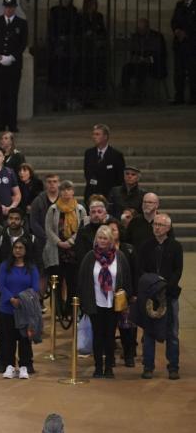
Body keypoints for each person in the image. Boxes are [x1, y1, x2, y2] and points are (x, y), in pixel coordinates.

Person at [78, 225, 132, 379]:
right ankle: (98, 367)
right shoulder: (90, 257)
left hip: (113, 303)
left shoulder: (119, 256)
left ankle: (109, 367)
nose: (102, 241)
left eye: (105, 238)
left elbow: (126, 278)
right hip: (95, 303)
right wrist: (83, 302)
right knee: (98, 335)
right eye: (100, 238)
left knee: (110, 336)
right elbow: (82, 280)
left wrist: (126, 296)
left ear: (111, 240)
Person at [137, 211, 183, 380]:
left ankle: (173, 367)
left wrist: (165, 286)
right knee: (148, 332)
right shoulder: (145, 246)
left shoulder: (176, 246)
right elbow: (140, 269)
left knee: (172, 332)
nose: (157, 227)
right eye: (155, 224)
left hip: (169, 295)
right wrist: (153, 285)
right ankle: (148, 366)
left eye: (160, 225)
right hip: (150, 294)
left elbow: (178, 271)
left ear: (168, 228)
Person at [0, 236, 40, 379]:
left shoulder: (31, 267)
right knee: (8, 338)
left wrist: (21, 299)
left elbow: (35, 287)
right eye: (16, 247)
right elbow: (1, 285)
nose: (18, 250)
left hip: (24, 309)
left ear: (26, 250)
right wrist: (11, 298)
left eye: (21, 248)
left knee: (24, 338)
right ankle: (9, 365)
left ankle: (24, 366)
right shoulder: (5, 265)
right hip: (7, 308)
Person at [0, 0, 27, 132]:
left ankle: (12, 124)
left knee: (12, 94)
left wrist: (12, 57)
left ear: (15, 8)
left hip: (13, 65)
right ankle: (0, 123)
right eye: (7, 7)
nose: (9, 10)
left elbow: (23, 44)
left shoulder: (21, 23)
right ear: (4, 8)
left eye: (11, 7)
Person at [83, 124, 126, 206]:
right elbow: (87, 173)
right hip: (91, 195)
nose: (94, 137)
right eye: (93, 134)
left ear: (105, 136)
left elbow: (120, 179)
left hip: (109, 197)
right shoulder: (89, 153)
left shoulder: (116, 155)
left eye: (97, 134)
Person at [173, 0, 196, 105]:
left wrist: (186, 33)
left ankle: (193, 97)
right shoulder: (179, 5)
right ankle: (179, 97)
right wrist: (177, 30)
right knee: (179, 72)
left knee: (193, 72)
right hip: (180, 44)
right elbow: (174, 21)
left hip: (192, 44)